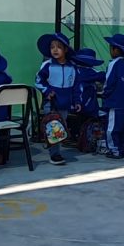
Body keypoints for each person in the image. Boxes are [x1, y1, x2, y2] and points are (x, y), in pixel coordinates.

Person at [35, 32, 77, 165]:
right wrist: (47, 91)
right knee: (55, 128)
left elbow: (76, 86)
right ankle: (55, 154)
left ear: (65, 49)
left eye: (58, 47)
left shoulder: (72, 67)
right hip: (51, 103)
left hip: (65, 103)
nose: (55, 50)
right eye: (52, 47)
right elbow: (38, 81)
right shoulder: (47, 65)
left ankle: (51, 144)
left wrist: (76, 101)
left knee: (60, 127)